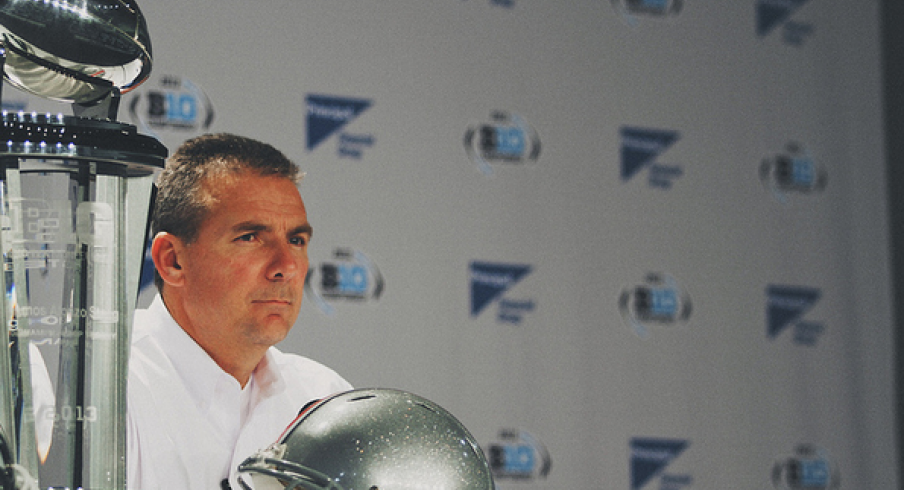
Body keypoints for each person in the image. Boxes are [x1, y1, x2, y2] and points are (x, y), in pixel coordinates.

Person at [127, 133, 352, 489]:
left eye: (296, 240)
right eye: (250, 237)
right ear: (172, 261)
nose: (286, 267)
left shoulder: (324, 401)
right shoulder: (105, 386)